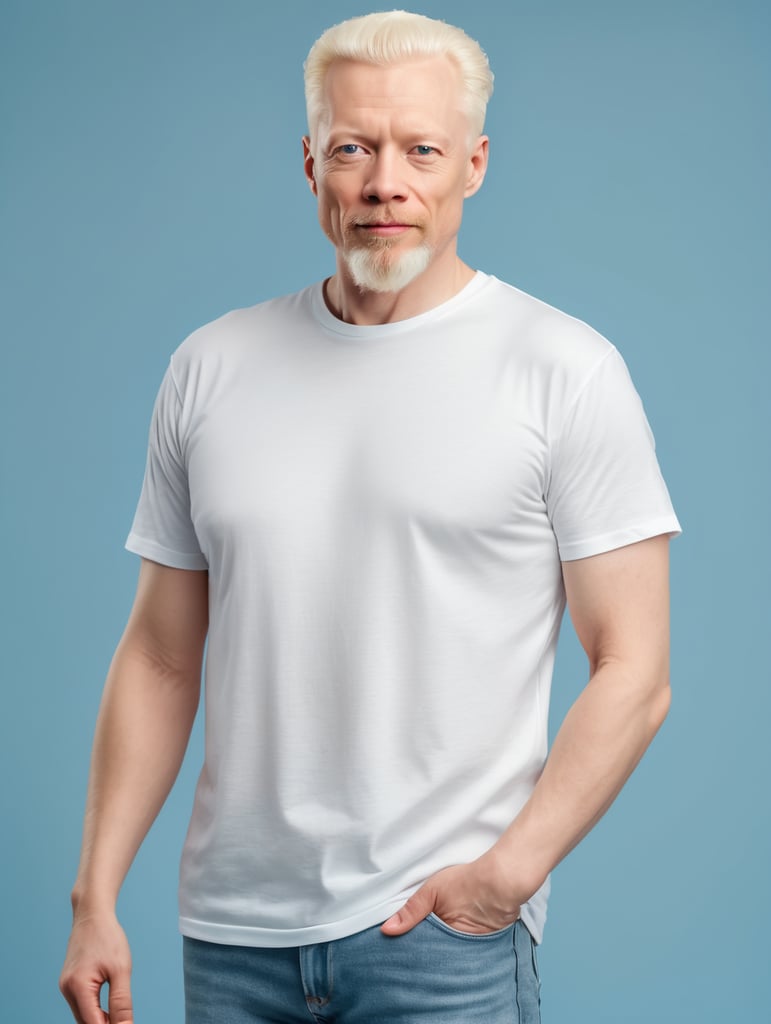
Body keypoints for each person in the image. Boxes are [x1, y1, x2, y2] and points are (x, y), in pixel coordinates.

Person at [59, 10, 681, 1024]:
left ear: (472, 165)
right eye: (354, 148)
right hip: (231, 937)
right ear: (312, 164)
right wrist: (96, 894)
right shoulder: (211, 367)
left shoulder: (563, 371)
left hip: (440, 941)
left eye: (421, 150)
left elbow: (636, 673)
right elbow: (162, 656)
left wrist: (503, 881)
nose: (385, 181)